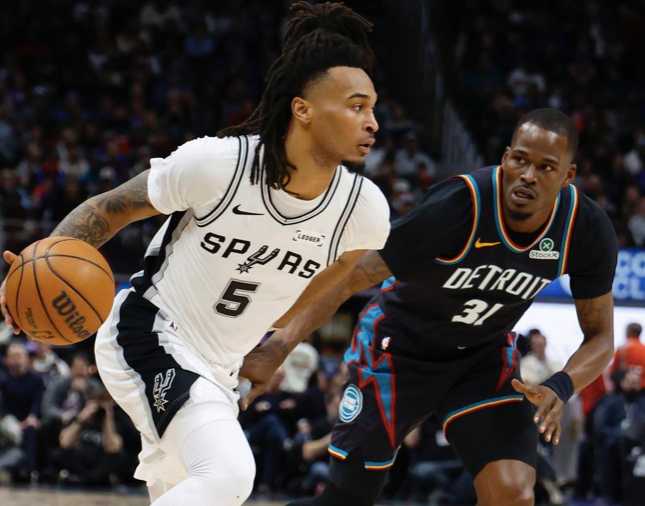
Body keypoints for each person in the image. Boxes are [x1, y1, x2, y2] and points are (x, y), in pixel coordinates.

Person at [0, 2, 389, 504]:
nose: (373, 122)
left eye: (372, 107)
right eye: (356, 107)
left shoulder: (363, 211)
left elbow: (346, 280)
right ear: (303, 110)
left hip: (220, 369)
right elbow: (109, 208)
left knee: (201, 492)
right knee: (230, 474)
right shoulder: (220, 165)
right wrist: (39, 265)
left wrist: (280, 345)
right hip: (150, 332)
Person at [241, 108, 618, 506]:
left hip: (481, 358)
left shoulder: (586, 230)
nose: (528, 175)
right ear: (506, 157)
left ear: (567, 176)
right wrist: (278, 346)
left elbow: (601, 338)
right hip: (397, 349)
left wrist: (561, 385)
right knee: (346, 500)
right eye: (520, 160)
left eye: (546, 167)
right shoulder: (459, 205)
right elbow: (351, 277)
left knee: (513, 494)